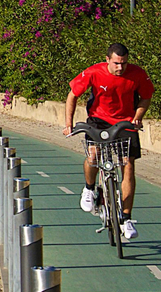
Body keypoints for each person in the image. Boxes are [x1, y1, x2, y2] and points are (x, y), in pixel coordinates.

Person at [62, 43, 153, 242]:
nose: (121, 68)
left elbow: (146, 97)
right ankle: (89, 188)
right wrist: (68, 124)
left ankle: (126, 218)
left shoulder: (137, 74)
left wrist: (138, 116)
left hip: (125, 123)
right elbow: (72, 95)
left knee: (127, 165)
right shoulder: (94, 72)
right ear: (107, 60)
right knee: (93, 156)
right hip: (98, 120)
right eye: (117, 63)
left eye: (124, 63)